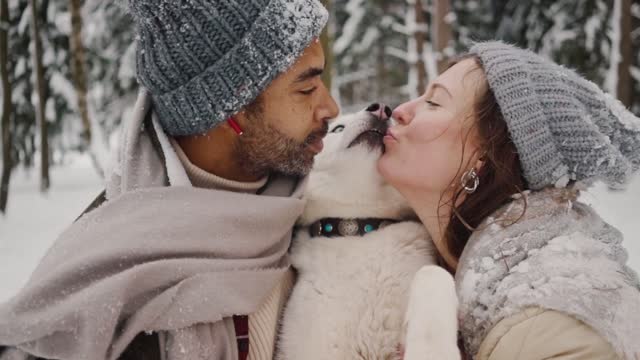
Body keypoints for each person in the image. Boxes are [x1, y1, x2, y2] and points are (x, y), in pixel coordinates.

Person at [0, 0, 338, 359]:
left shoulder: (333, 209)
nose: (331, 108)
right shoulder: (104, 284)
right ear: (232, 103)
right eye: (306, 89)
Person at [378, 41, 640, 360]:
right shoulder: (428, 278)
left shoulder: (556, 325)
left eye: (433, 102)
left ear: (485, 156)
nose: (401, 110)